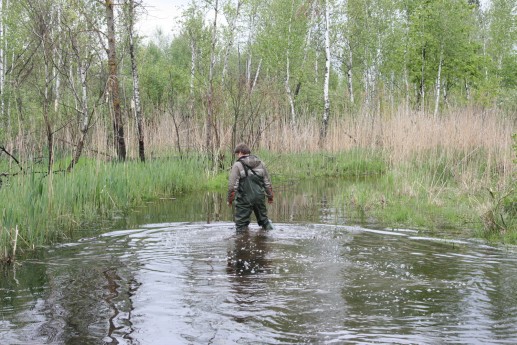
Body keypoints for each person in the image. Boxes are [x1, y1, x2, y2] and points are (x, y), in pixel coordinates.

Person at [227, 143, 274, 232]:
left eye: (237, 154)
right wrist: (270, 197)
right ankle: (270, 237)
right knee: (264, 221)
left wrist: (229, 200)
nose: (237, 156)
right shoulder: (261, 163)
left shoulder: (237, 165)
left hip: (244, 199)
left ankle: (242, 242)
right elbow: (267, 183)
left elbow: (232, 187)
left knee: (241, 226)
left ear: (240, 152)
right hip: (259, 197)